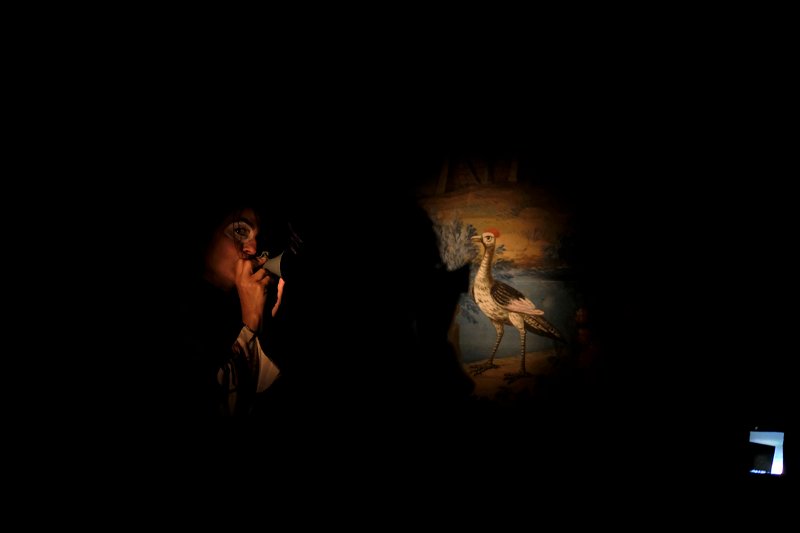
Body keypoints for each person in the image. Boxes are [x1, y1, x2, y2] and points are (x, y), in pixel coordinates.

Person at [173, 195, 300, 417]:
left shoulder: (224, 316)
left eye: (256, 238)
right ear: (204, 236)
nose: (253, 248)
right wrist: (251, 322)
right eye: (240, 231)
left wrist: (265, 326)